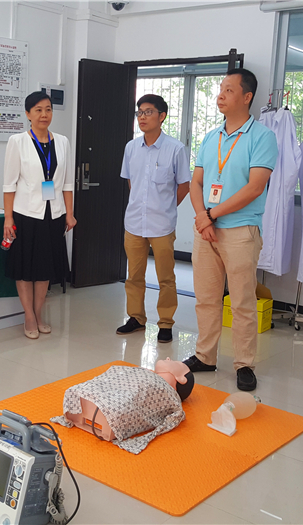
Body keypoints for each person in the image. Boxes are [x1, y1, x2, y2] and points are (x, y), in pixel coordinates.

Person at [184, 68, 278, 392]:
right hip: (206, 231)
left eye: (229, 90)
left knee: (241, 302)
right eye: (220, 89)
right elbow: (196, 182)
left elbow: (254, 188)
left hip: (240, 231)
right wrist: (202, 216)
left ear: (247, 97)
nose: (220, 95)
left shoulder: (262, 137)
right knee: (206, 298)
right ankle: (205, 356)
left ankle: (244, 364)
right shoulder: (211, 137)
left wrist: (211, 214)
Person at [116, 94, 191, 343]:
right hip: (134, 223)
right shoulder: (130, 148)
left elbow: (184, 186)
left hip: (162, 224)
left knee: (166, 278)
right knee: (134, 275)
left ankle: (166, 322)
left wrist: (165, 207)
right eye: (139, 112)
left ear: (162, 116)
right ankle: (136, 318)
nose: (142, 117)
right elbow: (131, 181)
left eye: (148, 112)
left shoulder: (176, 149)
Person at [3, 92, 76, 339]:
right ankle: (29, 316)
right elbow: (9, 184)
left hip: (53, 214)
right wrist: (8, 218)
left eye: (48, 109)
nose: (44, 114)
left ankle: (38, 313)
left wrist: (69, 214)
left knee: (45, 268)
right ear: (28, 114)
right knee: (25, 268)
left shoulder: (62, 142)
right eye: (38, 110)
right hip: (25, 214)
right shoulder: (17, 141)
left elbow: (67, 183)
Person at [51, 359, 194, 454]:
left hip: (113, 408)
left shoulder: (166, 392)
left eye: (175, 362)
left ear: (181, 379)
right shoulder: (143, 372)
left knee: (131, 397)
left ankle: (100, 408)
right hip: (104, 398)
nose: (168, 358)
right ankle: (92, 400)